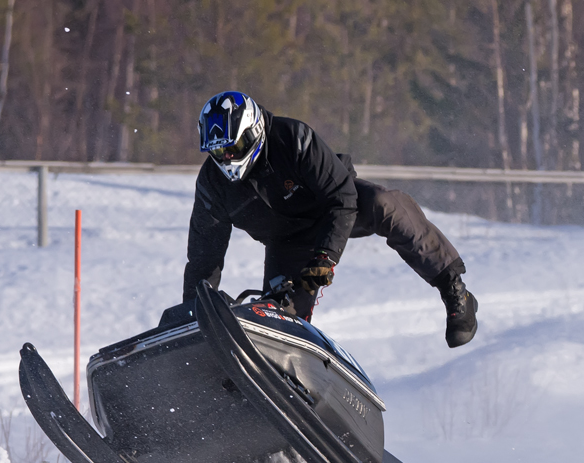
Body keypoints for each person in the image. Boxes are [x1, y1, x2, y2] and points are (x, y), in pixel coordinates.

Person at [182, 91, 478, 348]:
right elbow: (203, 257)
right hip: (287, 242)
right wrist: (193, 316)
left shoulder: (293, 138)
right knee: (276, 317)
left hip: (334, 209)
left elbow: (342, 197)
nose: (226, 159)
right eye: (218, 152)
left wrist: (325, 257)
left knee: (383, 204)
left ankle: (454, 289)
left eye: (231, 148)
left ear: (253, 132)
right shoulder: (212, 183)